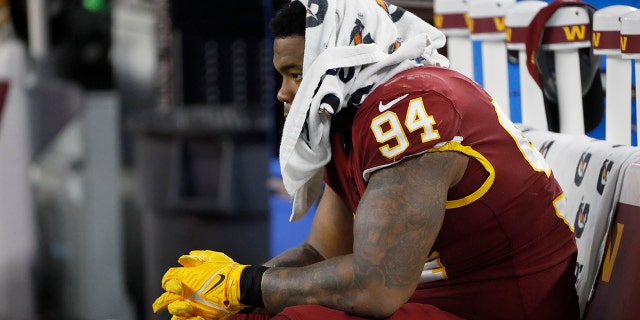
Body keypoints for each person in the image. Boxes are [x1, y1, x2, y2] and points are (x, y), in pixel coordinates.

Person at [152, 1, 580, 319]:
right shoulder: (355, 116)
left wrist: (248, 285)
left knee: (298, 318)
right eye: (282, 75)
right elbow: (322, 251)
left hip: (508, 306)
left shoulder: (411, 109)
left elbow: (377, 286)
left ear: (344, 58)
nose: (283, 93)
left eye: (297, 74)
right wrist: (226, 290)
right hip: (445, 295)